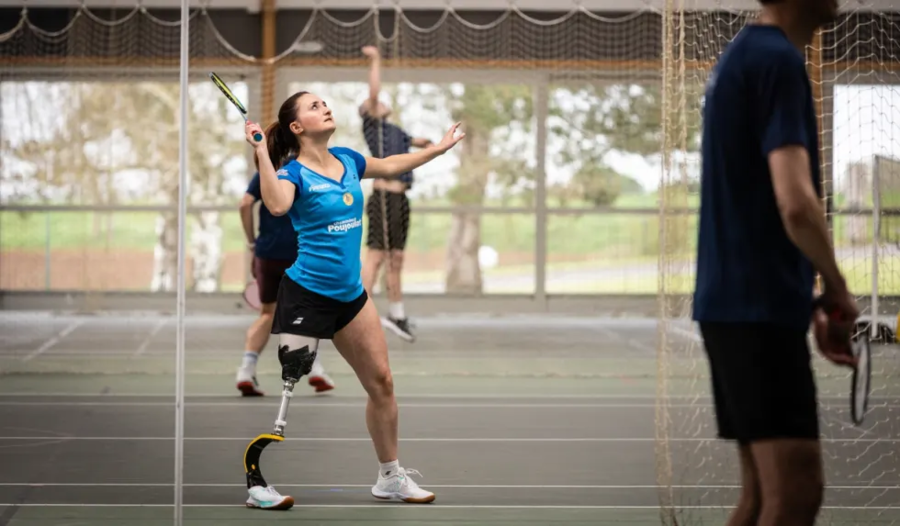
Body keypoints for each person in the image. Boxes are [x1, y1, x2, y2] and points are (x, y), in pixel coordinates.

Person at [241, 90, 463, 509]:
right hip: (306, 295)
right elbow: (274, 205)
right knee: (291, 385)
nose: (324, 107)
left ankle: (390, 476)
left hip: (351, 297)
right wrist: (261, 154)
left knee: (382, 382)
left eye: (324, 102)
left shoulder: (347, 160)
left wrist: (439, 149)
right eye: (313, 106)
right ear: (297, 127)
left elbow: (393, 164)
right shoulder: (292, 175)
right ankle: (257, 483)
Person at [692, 0, 858, 524]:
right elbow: (796, 203)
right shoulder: (777, 61)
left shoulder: (742, 56)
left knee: (762, 499)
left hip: (742, 305)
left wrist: (802, 294)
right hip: (754, 309)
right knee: (795, 493)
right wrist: (836, 287)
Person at [236, 154, 335, 397]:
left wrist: (252, 244)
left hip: (267, 253)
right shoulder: (307, 171)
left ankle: (246, 370)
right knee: (308, 311)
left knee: (268, 314)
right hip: (300, 252)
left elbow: (245, 203)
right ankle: (315, 370)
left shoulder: (268, 172)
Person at [358, 45, 434, 343]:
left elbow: (419, 142)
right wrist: (376, 60)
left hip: (401, 199)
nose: (378, 102)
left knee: (397, 258)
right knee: (376, 257)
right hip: (384, 199)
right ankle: (358, 313)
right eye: (373, 102)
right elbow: (374, 91)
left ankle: (397, 314)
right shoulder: (372, 126)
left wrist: (433, 143)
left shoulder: (395, 131)